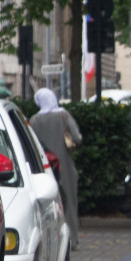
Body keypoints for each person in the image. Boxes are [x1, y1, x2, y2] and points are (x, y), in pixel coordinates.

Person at [30, 88, 82, 249]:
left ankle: (51, 242)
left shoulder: (34, 120)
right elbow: (77, 138)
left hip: (45, 168)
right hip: (65, 166)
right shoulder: (63, 115)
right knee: (69, 203)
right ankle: (72, 239)